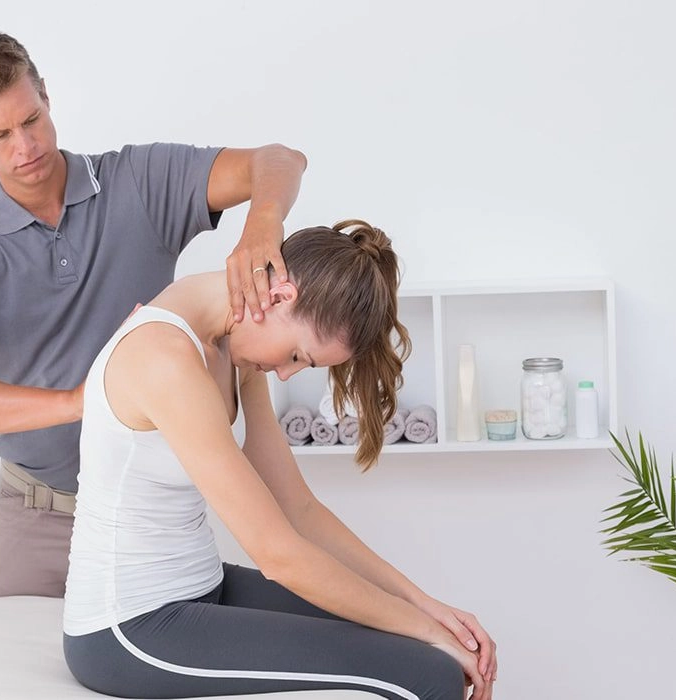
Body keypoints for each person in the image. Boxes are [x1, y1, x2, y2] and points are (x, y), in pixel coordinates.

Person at [0, 31, 307, 598]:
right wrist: (81, 401)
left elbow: (280, 160)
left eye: (32, 120)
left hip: (151, 511)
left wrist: (262, 225)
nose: (25, 147)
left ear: (45, 94)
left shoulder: (139, 184)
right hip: (37, 519)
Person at [63, 221, 498, 700]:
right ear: (279, 296)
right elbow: (279, 556)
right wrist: (426, 631)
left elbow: (298, 509)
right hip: (130, 628)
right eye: (297, 355)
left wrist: (426, 608)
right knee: (427, 675)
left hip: (203, 587)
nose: (288, 375)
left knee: (429, 651)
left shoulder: (234, 348)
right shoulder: (164, 358)